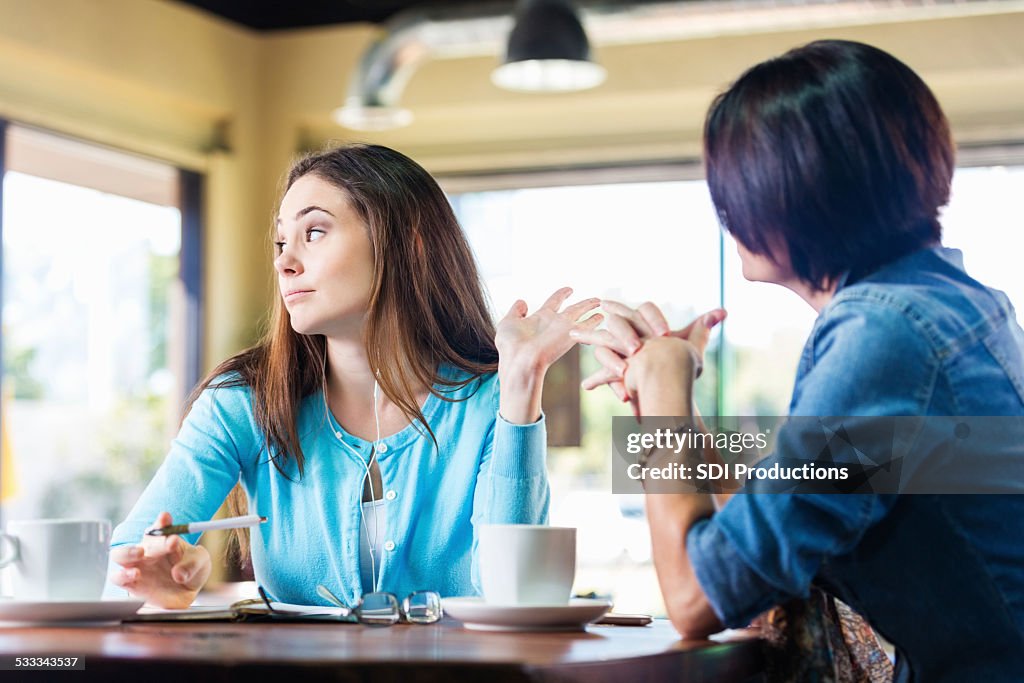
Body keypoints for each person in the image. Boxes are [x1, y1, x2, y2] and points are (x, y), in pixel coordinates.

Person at [575, 40, 1024, 681]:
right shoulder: (949, 305)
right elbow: (767, 526)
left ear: (799, 188)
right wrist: (669, 392)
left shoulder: (883, 337)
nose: (725, 210)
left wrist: (662, 397)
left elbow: (696, 596)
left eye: (733, 183)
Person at [106, 143, 600, 609]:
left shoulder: (490, 402)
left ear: (409, 243)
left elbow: (516, 594)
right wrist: (153, 571)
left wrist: (519, 385)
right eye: (281, 240)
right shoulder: (243, 401)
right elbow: (134, 548)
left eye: (314, 232)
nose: (284, 261)